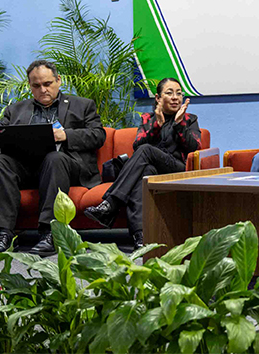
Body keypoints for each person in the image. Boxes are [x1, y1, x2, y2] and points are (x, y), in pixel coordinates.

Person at [0, 60, 106, 257]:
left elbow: (98, 135)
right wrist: (16, 135)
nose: (43, 90)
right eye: (36, 86)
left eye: (47, 84)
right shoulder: (16, 110)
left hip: (64, 166)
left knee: (54, 158)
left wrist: (66, 135)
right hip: (26, 168)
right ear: (30, 86)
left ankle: (50, 233)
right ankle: (3, 234)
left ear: (58, 80)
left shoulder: (82, 105)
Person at [83, 78, 201, 250]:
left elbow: (194, 147)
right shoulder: (148, 118)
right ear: (158, 98)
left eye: (179, 93)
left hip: (177, 169)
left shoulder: (190, 119)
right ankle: (140, 237)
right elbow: (136, 146)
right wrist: (156, 126)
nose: (175, 97)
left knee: (146, 150)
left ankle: (110, 204)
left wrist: (179, 124)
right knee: (143, 173)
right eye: (169, 93)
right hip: (152, 170)